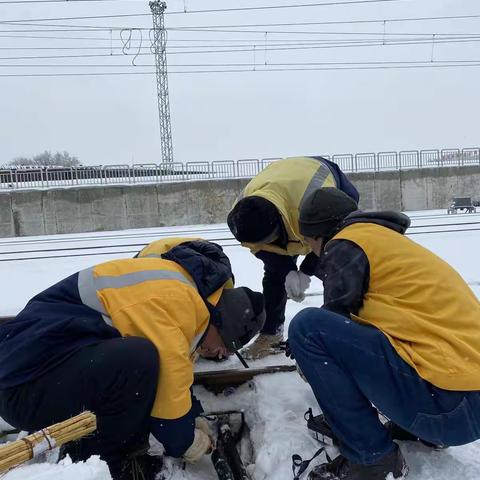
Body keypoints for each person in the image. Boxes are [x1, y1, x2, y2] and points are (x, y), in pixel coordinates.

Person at [0, 240, 265, 480]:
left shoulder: (182, 288)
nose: (220, 355)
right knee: (140, 360)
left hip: (36, 374)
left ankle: (93, 446)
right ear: (220, 322)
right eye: (226, 348)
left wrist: (191, 415)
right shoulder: (179, 305)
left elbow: (173, 377)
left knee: (141, 366)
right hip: (25, 390)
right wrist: (188, 441)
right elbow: (170, 404)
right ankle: (108, 463)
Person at [287, 187, 480, 480]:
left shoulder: (345, 243)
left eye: (309, 243)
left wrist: (309, 361)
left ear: (319, 236)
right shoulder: (386, 243)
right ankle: (411, 428)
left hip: (446, 407)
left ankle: (372, 457)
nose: (312, 250)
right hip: (467, 403)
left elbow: (333, 325)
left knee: (308, 329)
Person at [227, 156, 359, 359]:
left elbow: (332, 238)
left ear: (281, 224)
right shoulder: (241, 216)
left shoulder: (314, 204)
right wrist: (287, 270)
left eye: (271, 240)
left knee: (334, 270)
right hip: (285, 185)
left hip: (323, 182)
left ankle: (345, 327)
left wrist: (306, 270)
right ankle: (271, 334)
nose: (269, 247)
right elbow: (261, 250)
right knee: (273, 276)